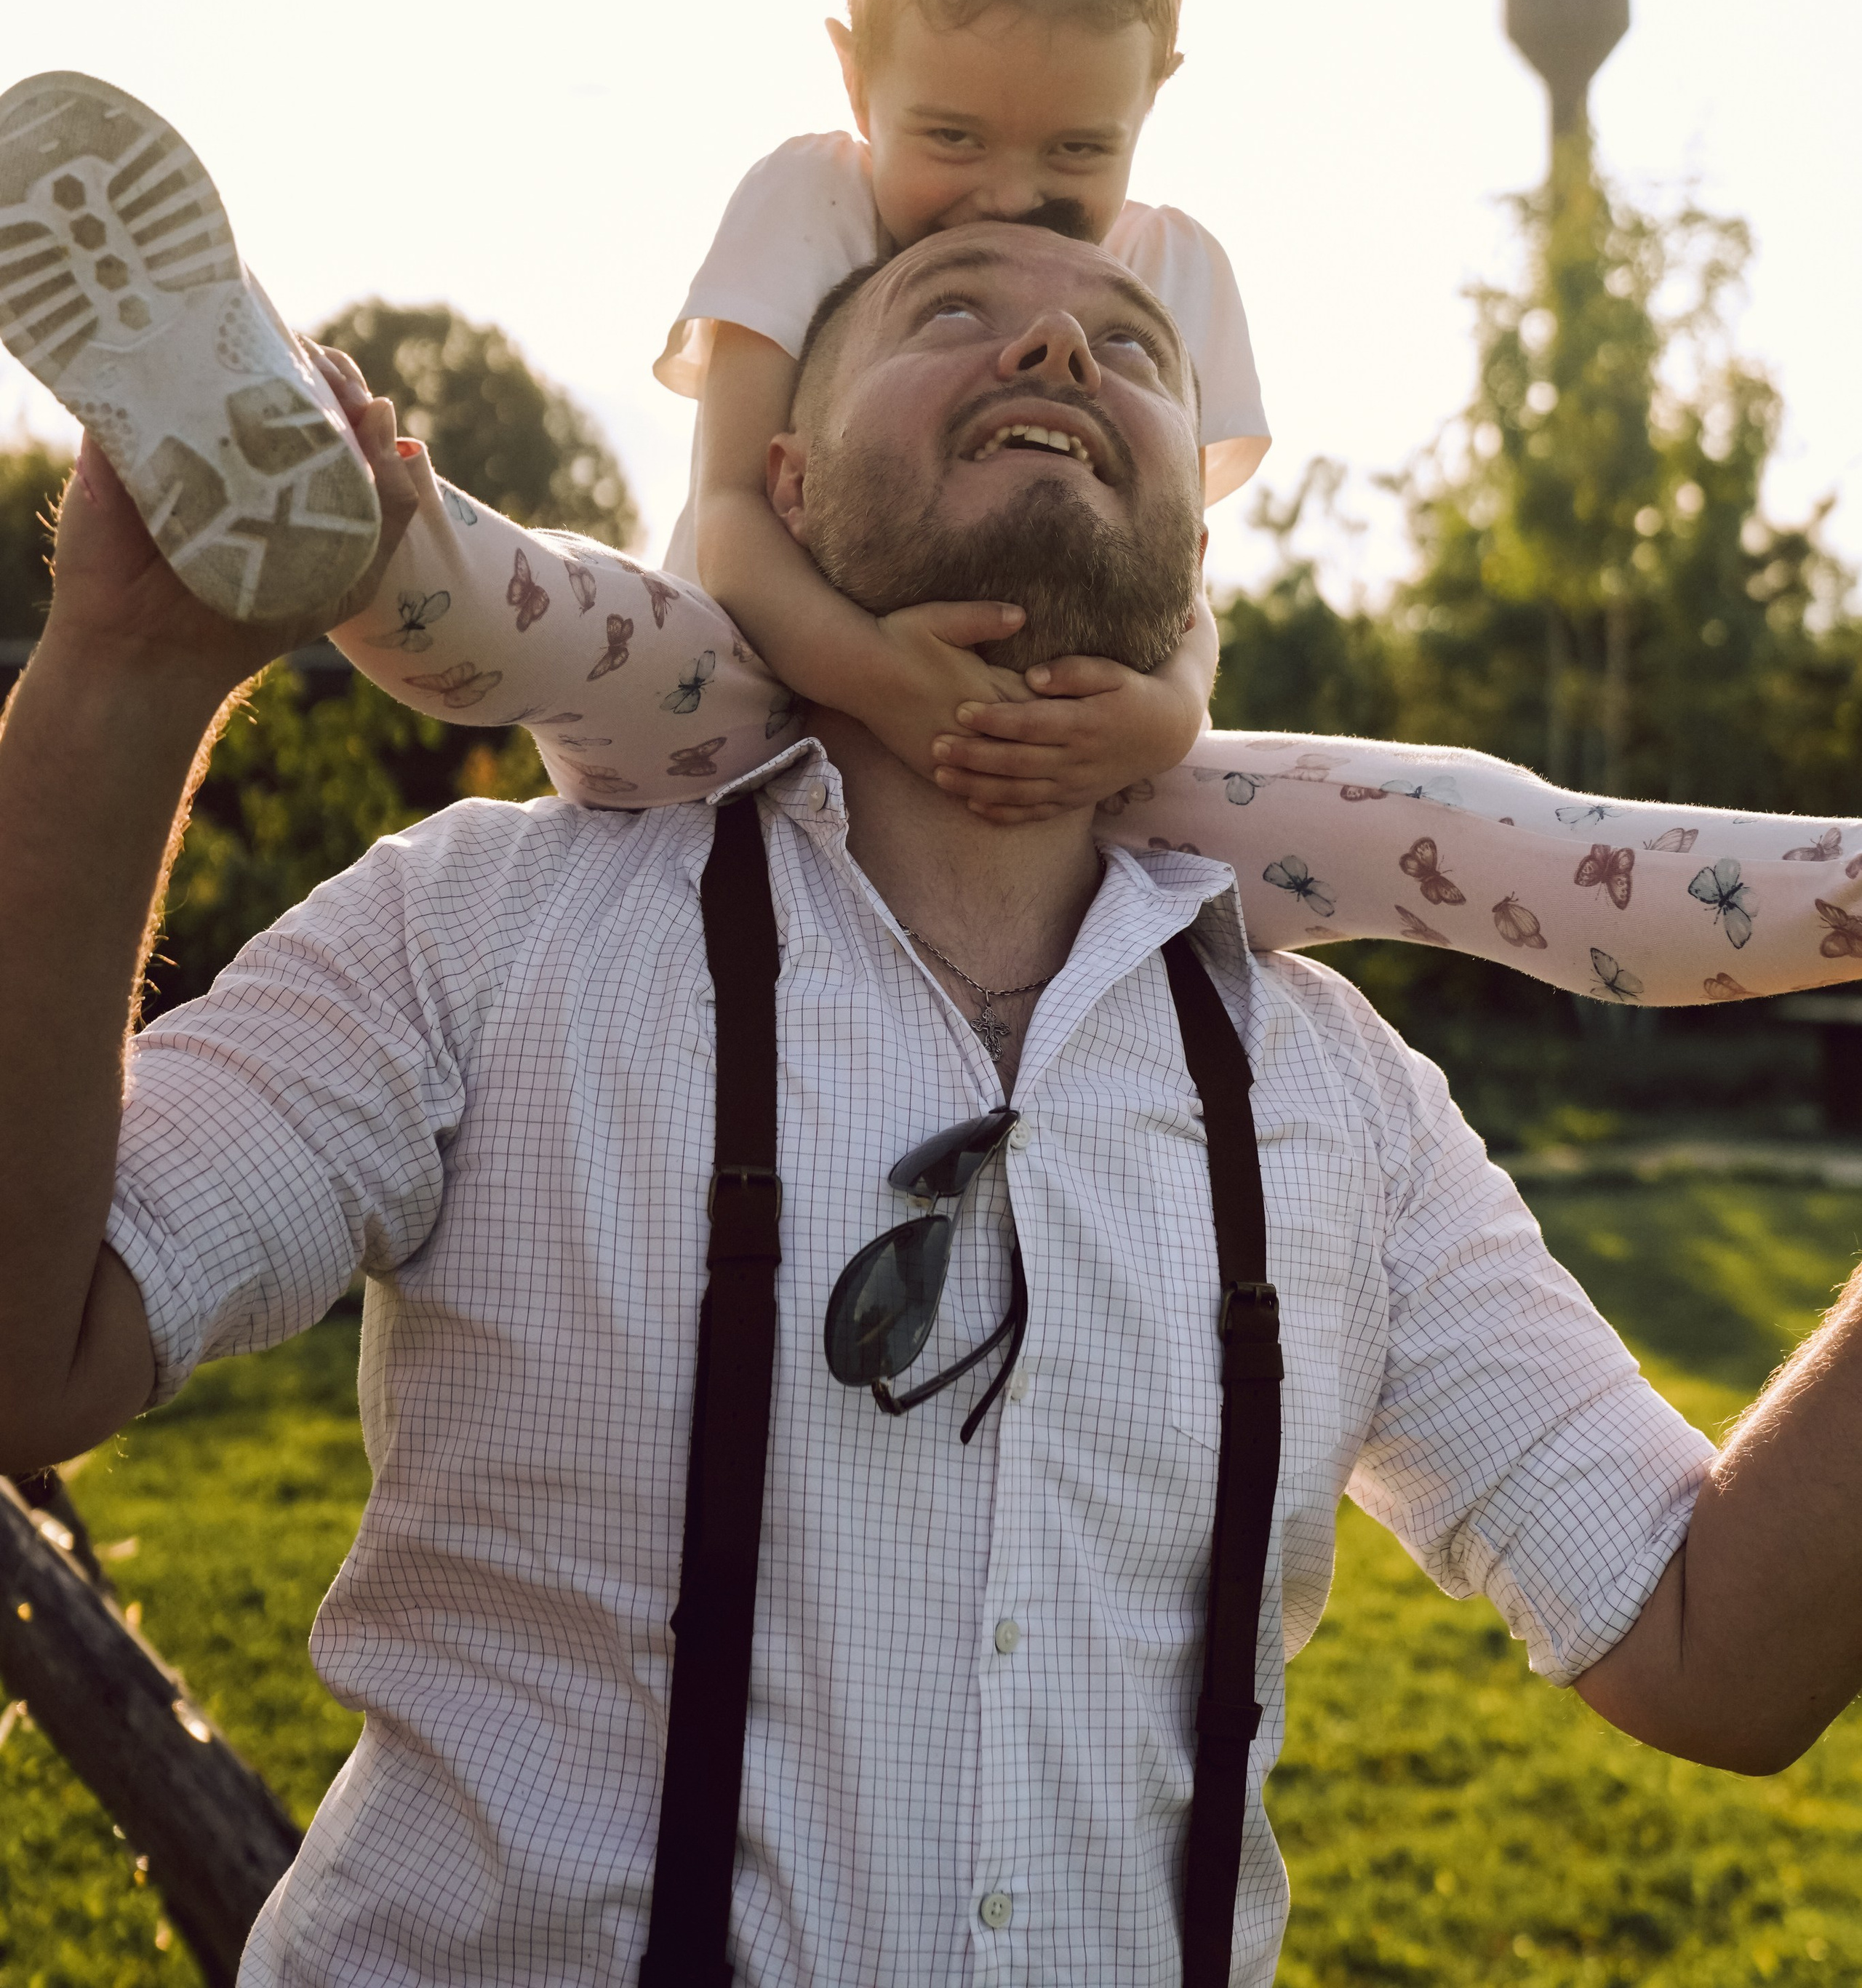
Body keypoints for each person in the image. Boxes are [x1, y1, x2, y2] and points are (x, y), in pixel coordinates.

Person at [5, 217, 1862, 1988]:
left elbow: (1716, 1650)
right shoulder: (482, 925)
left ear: (1190, 573)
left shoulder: (1339, 1101)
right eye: (951, 307)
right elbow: (35, 1351)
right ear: (784, 488)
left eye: (1131, 348)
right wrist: (122, 676)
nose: (1056, 342)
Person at [6, 0, 1862, 1010]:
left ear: (1156, 101)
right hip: (743, 697)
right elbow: (730, 511)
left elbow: (1172, 593)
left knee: (1463, 830)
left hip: (1073, 761)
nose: (1002, 198)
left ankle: (1835, 894)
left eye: (1073, 158)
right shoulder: (801, 198)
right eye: (948, 137)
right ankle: (321, 489)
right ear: (850, 73)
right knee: (538, 610)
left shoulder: (1179, 266)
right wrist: (878, 672)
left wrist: (1145, 728)